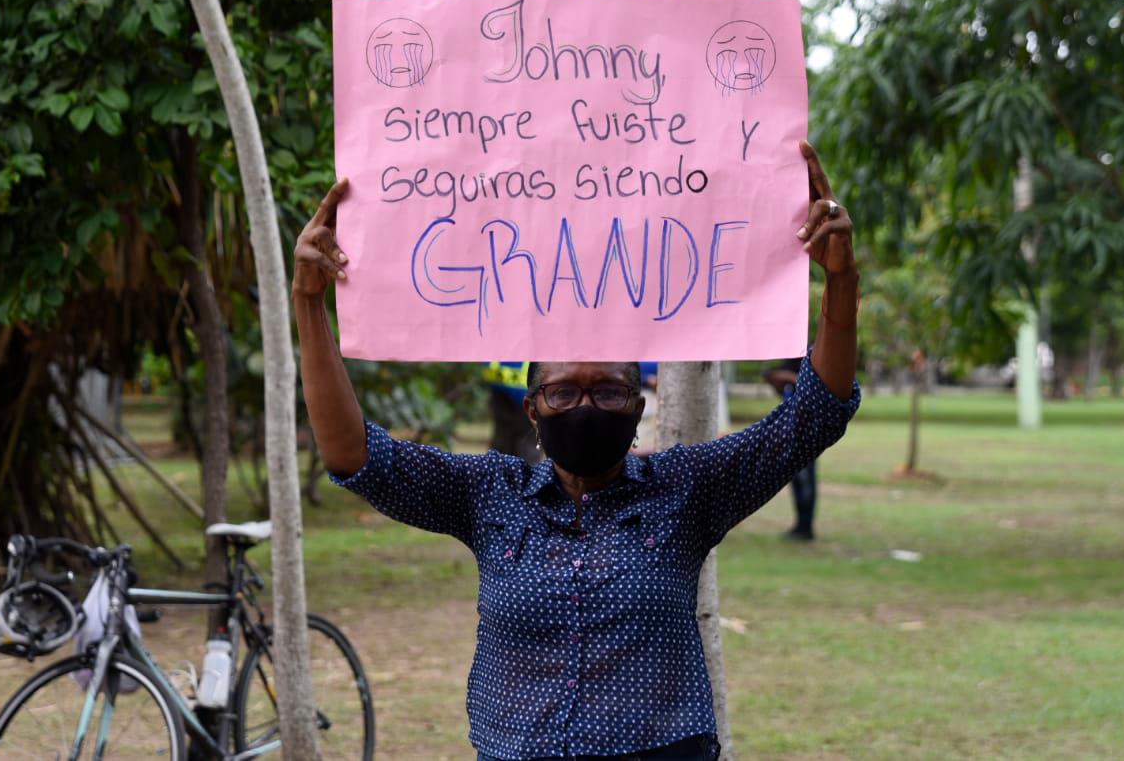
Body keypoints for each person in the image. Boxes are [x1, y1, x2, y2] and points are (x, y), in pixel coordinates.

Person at [291, 141, 861, 761]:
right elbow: (355, 456)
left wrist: (840, 279)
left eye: (609, 391)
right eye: (563, 392)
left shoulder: (687, 489)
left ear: (637, 407)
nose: (585, 406)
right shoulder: (489, 495)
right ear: (533, 408)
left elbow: (815, 414)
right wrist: (309, 303)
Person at [763, 359, 818, 541]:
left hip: (807, 426)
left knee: (805, 479)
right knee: (796, 478)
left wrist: (788, 377)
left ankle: (806, 526)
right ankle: (801, 525)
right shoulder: (790, 358)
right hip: (791, 425)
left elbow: (813, 385)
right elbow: (780, 387)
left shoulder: (810, 357)